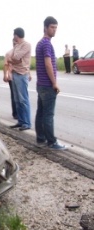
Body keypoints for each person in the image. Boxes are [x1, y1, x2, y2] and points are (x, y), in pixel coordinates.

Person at [35, 16, 66, 150]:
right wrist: (54, 83)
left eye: (56, 28)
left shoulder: (39, 43)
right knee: (48, 114)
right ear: (45, 28)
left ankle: (40, 138)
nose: (54, 30)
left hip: (40, 84)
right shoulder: (46, 43)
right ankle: (51, 142)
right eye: (52, 27)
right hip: (47, 85)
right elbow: (48, 64)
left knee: (41, 112)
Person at [8, 27, 32, 131]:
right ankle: (20, 121)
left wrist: (14, 60)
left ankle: (26, 123)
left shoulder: (26, 45)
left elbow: (16, 57)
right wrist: (14, 60)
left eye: (14, 35)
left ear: (17, 35)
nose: (13, 37)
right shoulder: (16, 45)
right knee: (17, 99)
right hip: (14, 73)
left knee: (23, 99)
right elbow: (10, 57)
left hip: (22, 74)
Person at [3, 39, 17, 119]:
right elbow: (5, 65)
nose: (15, 44)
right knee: (14, 95)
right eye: (14, 42)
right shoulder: (9, 53)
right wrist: (5, 75)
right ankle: (15, 113)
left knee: (20, 96)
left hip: (20, 76)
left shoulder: (21, 53)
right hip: (11, 77)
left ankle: (20, 112)